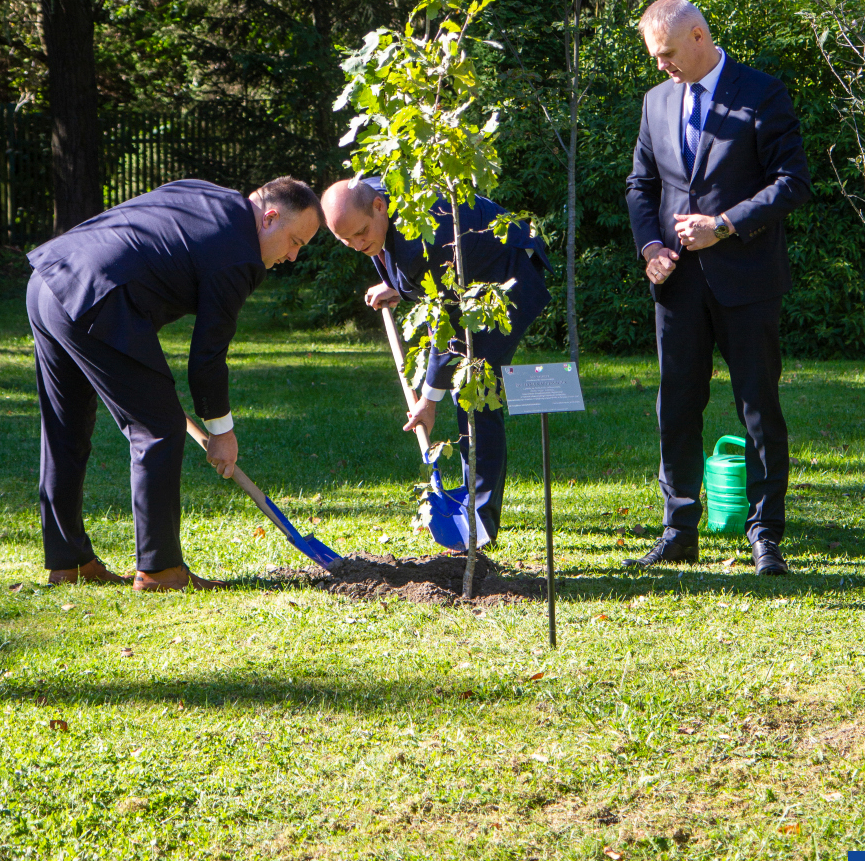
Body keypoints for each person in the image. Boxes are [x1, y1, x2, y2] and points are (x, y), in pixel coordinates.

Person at [27, 176, 323, 591]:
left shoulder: (204, 193)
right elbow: (207, 357)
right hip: (98, 295)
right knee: (158, 429)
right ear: (270, 218)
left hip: (48, 280)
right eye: (295, 242)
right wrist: (222, 432)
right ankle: (161, 571)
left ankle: (69, 562)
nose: (292, 256)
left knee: (65, 427)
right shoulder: (240, 254)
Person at [625, 0, 811, 576]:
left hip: (748, 281)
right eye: (656, 57)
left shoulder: (762, 92)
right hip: (677, 285)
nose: (662, 66)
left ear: (699, 37)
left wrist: (723, 225)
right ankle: (679, 529)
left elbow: (792, 183)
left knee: (758, 407)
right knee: (677, 406)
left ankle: (765, 535)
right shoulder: (656, 101)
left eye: (667, 54)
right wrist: (650, 248)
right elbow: (640, 185)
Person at [321, 177, 551, 545]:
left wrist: (428, 402)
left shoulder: (423, 242)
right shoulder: (377, 196)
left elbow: (447, 328)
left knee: (473, 387)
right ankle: (474, 501)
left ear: (379, 206)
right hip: (467, 273)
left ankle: (480, 517)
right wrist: (398, 284)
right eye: (346, 241)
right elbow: (415, 268)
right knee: (469, 385)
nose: (358, 245)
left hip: (510, 273)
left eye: (361, 234)